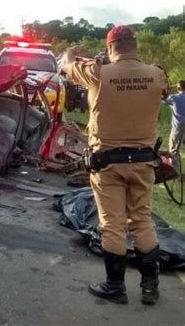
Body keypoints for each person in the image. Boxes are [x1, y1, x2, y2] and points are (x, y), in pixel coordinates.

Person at [62, 25, 169, 306]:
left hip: (107, 164)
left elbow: (67, 66)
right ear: (134, 44)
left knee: (112, 224)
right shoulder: (156, 74)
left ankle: (115, 287)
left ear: (111, 47)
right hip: (144, 163)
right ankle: (150, 288)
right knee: (142, 221)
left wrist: (71, 53)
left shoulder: (98, 72)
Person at [163, 80, 185, 171]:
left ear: (178, 88)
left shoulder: (173, 98)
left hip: (177, 129)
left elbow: (162, 98)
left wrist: (166, 89)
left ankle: (176, 174)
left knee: (173, 152)